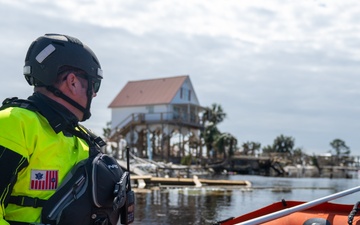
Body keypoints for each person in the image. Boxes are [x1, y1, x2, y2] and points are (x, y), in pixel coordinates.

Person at [0, 34, 104, 224]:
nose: (95, 93)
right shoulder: (13, 123)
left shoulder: (83, 141)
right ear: (72, 82)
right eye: (94, 83)